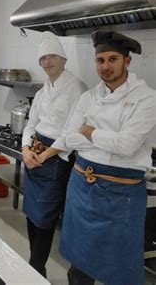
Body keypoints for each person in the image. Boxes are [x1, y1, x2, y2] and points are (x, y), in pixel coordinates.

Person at [38, 30, 156, 284]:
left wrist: (89, 131)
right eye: (100, 60)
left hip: (120, 194)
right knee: (78, 266)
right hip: (82, 187)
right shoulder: (89, 96)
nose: (105, 66)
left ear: (127, 61)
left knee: (121, 265)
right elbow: (70, 137)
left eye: (112, 59)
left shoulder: (147, 98)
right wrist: (101, 138)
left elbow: (126, 144)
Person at [21, 31, 87, 278]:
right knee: (30, 212)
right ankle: (36, 267)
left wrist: (45, 154)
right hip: (35, 154)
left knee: (45, 217)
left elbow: (72, 132)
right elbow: (31, 123)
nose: (47, 62)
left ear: (63, 59)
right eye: (43, 58)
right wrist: (26, 149)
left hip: (57, 159)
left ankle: (35, 269)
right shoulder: (43, 90)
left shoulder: (76, 88)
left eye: (52, 57)